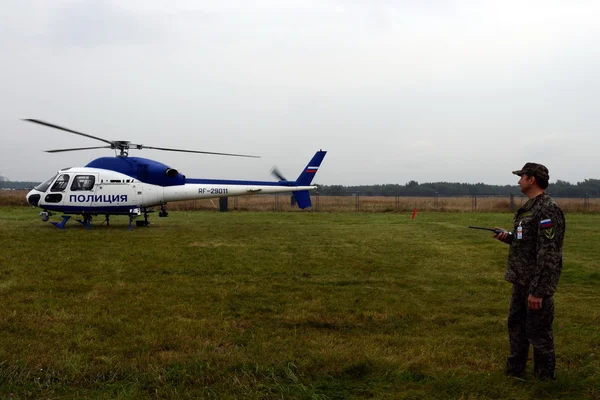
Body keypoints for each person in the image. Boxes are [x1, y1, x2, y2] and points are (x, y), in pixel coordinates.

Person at [494, 163, 565, 380]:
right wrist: (510, 238)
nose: (518, 181)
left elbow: (549, 253)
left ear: (531, 179)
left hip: (535, 284)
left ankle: (544, 378)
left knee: (538, 331)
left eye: (521, 176)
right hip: (521, 280)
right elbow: (528, 244)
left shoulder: (547, 209)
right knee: (517, 325)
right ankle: (516, 370)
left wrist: (539, 291)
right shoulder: (529, 208)